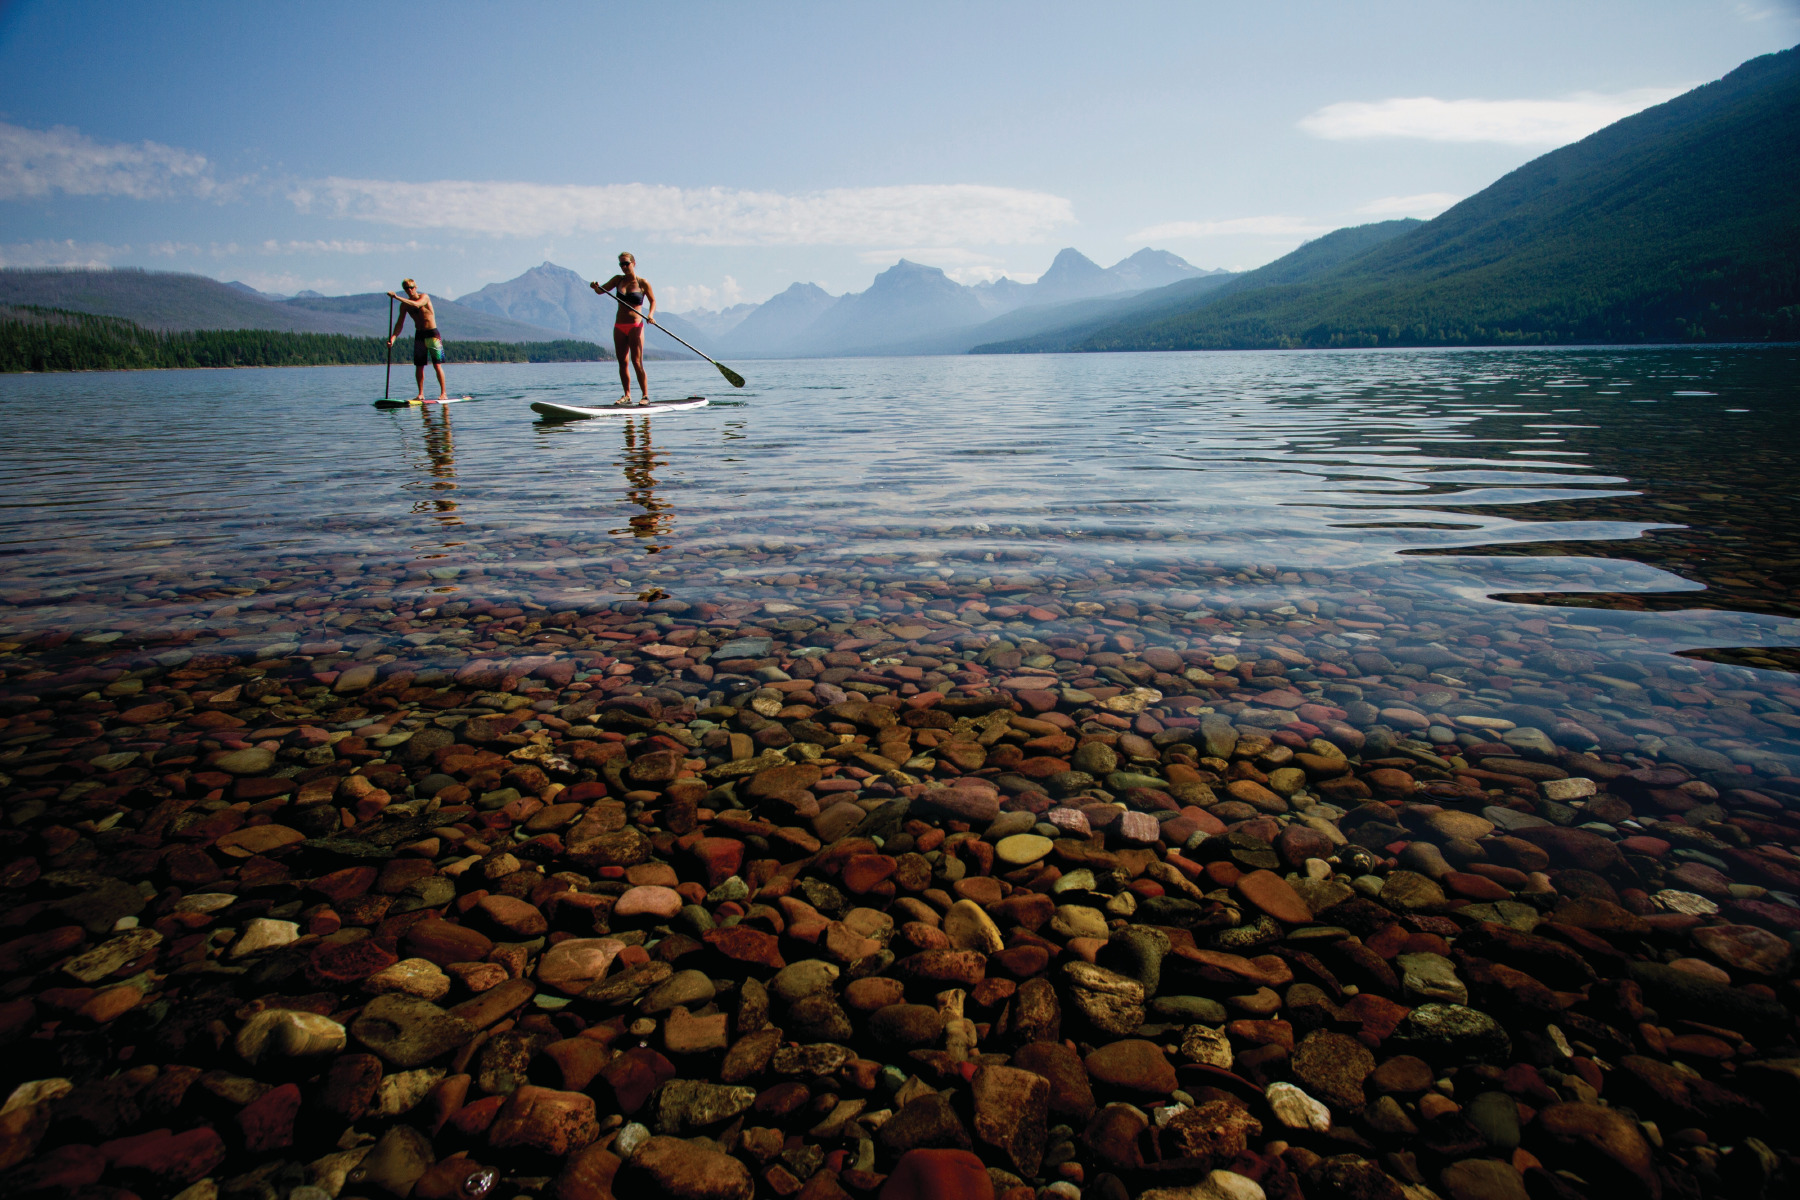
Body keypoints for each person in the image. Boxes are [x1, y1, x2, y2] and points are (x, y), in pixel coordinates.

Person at [589, 252, 656, 406]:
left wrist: (650, 315)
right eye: (621, 264)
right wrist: (595, 286)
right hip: (619, 326)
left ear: (634, 263)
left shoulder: (642, 283)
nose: (624, 267)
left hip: (635, 326)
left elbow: (653, 301)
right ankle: (627, 395)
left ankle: (645, 395)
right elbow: (600, 291)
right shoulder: (617, 280)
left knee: (637, 362)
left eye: (626, 263)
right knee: (622, 362)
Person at [387, 279, 448, 402]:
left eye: (411, 287)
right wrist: (393, 338)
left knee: (437, 365)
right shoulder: (404, 305)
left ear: (415, 287)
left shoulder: (424, 297)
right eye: (406, 288)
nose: (409, 290)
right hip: (419, 335)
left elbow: (416, 305)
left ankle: (443, 393)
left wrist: (396, 297)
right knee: (419, 366)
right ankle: (420, 394)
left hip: (432, 334)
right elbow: (400, 324)